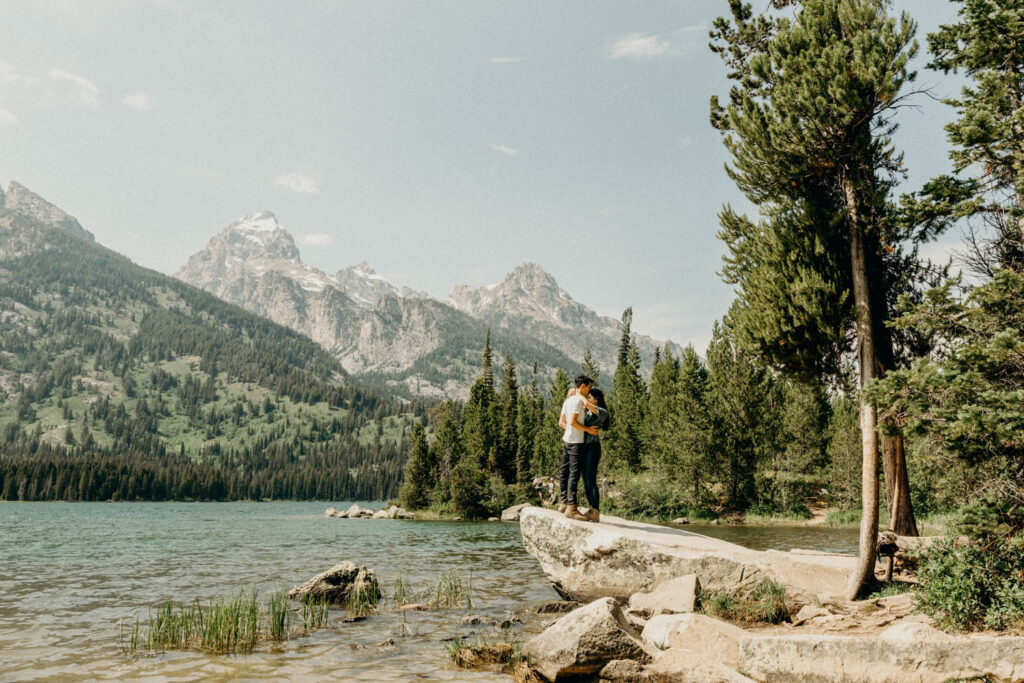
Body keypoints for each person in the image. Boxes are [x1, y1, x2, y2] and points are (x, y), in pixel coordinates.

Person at [557, 374, 596, 520]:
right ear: (582, 386)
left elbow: (563, 422)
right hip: (575, 442)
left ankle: (564, 502)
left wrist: (569, 430)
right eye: (588, 388)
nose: (589, 391)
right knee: (574, 473)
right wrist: (588, 430)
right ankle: (572, 508)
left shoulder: (568, 400)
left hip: (567, 440)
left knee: (564, 471)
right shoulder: (578, 401)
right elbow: (573, 421)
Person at [580, 387, 609, 522]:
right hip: (584, 448)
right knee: (585, 480)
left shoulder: (602, 412)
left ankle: (595, 510)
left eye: (590, 397)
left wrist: (578, 395)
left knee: (591, 479)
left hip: (593, 448)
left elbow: (586, 404)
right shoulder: (589, 412)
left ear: (596, 400)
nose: (587, 399)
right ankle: (591, 509)